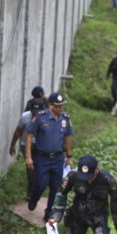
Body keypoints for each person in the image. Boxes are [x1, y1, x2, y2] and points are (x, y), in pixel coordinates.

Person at [23, 92, 74, 221]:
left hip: (57, 158)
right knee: (40, 183)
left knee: (55, 186)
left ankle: (49, 212)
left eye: (62, 106)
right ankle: (34, 198)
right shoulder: (41, 117)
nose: (60, 108)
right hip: (42, 157)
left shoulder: (65, 119)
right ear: (50, 105)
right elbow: (29, 136)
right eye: (57, 106)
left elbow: (67, 138)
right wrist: (28, 157)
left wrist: (69, 157)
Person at [9, 86, 48, 201]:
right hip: (26, 146)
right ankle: (31, 193)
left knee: (39, 169)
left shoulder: (47, 117)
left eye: (38, 113)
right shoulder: (25, 117)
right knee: (31, 170)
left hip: (41, 147)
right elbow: (18, 132)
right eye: (33, 113)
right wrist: (12, 145)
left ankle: (38, 188)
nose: (35, 115)